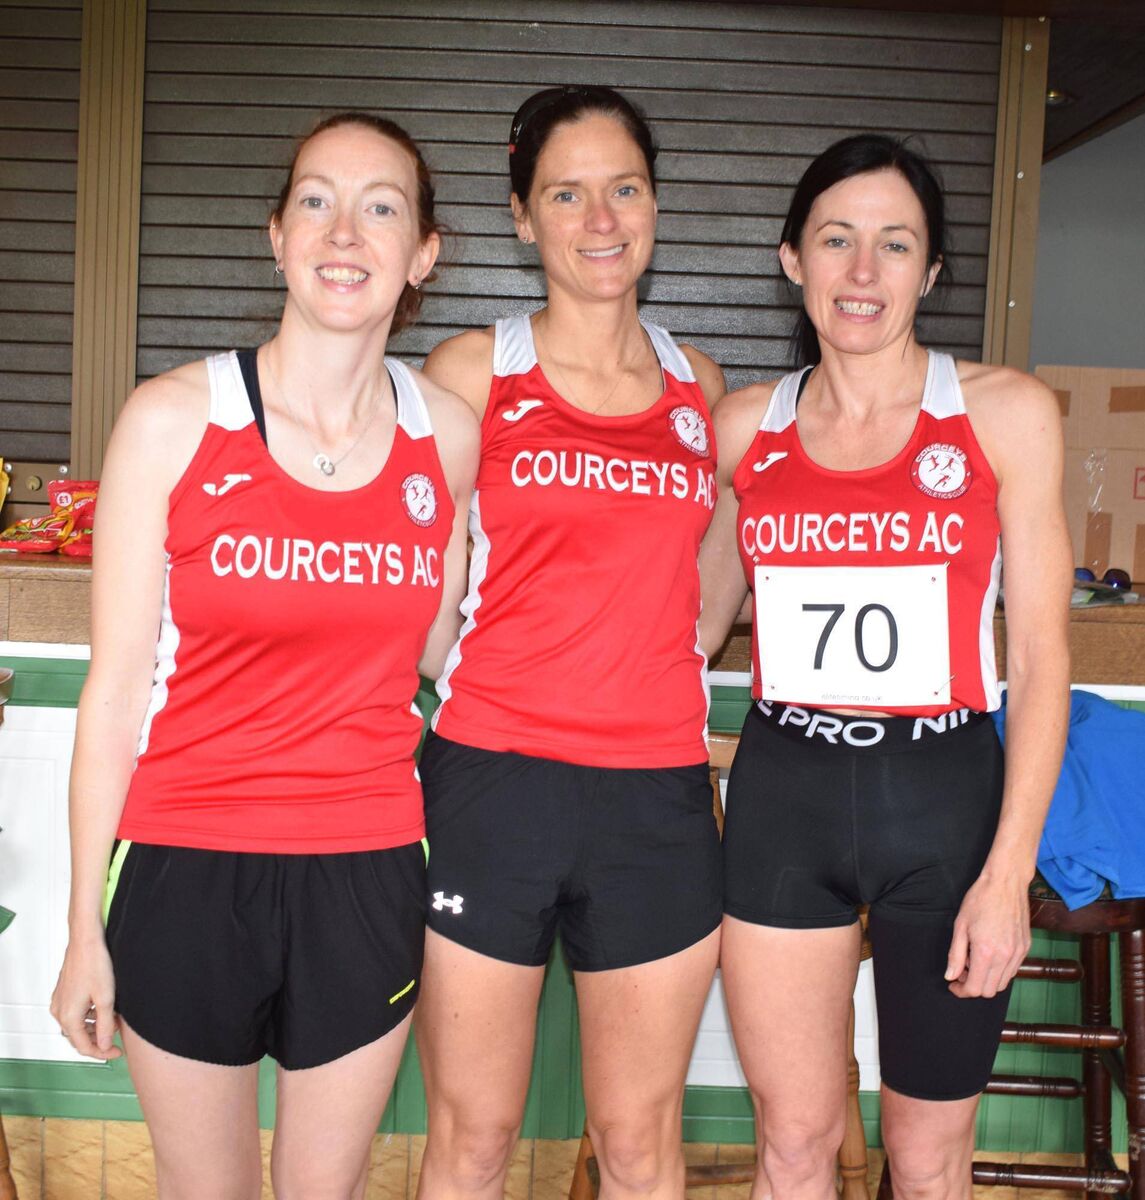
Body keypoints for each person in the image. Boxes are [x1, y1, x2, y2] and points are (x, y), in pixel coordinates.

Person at [50, 112, 478, 1200]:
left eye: (382, 207)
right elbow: (113, 695)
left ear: (422, 253)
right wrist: (79, 932)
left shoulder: (448, 435)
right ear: (277, 235)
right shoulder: (171, 420)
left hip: (367, 868)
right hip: (187, 866)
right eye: (318, 202)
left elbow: (440, 642)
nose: (346, 232)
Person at [698, 133, 1072, 1200]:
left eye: (893, 245)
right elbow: (685, 626)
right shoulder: (742, 431)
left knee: (925, 1156)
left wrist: (1006, 875)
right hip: (785, 797)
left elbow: (1041, 663)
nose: (862, 273)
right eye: (836, 241)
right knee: (793, 1147)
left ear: (930, 270)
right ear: (791, 260)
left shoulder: (1003, 414)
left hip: (944, 806)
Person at [416, 85, 726, 1199]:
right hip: (491, 785)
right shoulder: (467, 373)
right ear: (520, 215)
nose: (600, 218)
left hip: (653, 799)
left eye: (623, 188)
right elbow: (425, 591)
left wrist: (649, 662)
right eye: (566, 193)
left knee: (638, 1145)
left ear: (652, 203)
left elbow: (715, 573)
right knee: (473, 1138)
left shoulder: (699, 386)